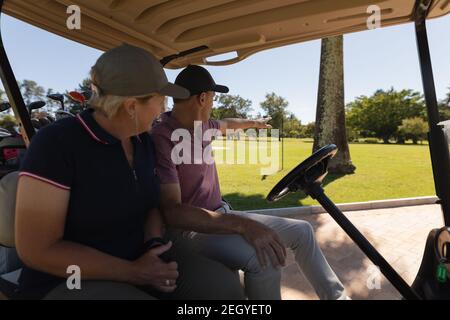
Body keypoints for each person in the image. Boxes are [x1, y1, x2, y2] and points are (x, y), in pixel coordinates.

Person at [14, 45, 245, 300]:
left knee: (225, 290)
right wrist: (133, 272)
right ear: (132, 106)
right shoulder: (57, 143)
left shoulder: (141, 142)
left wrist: (154, 244)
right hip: (67, 281)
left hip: (140, 258)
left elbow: (152, 207)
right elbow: (38, 250)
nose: (163, 109)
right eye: (161, 100)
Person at [152, 65, 348, 300]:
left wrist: (253, 123)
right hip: (191, 231)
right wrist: (242, 225)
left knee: (303, 232)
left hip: (221, 214)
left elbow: (229, 123)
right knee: (264, 260)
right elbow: (173, 212)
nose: (213, 105)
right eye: (213, 99)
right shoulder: (163, 137)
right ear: (203, 98)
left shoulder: (203, 126)